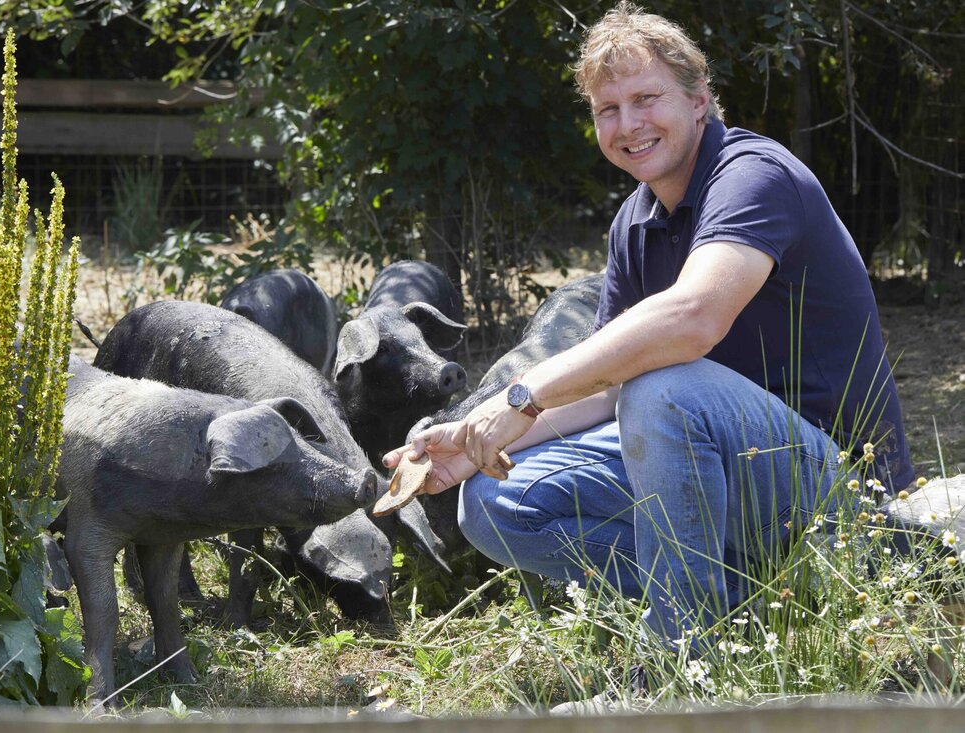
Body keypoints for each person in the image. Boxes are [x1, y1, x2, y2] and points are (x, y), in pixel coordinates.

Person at [383, 1, 912, 642]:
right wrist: (475, 439)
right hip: (721, 471)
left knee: (663, 387)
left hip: (840, 493)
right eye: (608, 109)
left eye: (646, 98)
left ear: (699, 99)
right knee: (495, 504)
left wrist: (523, 396)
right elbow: (606, 388)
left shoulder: (753, 175)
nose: (628, 124)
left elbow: (693, 319)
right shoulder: (634, 222)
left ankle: (683, 650)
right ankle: (750, 606)